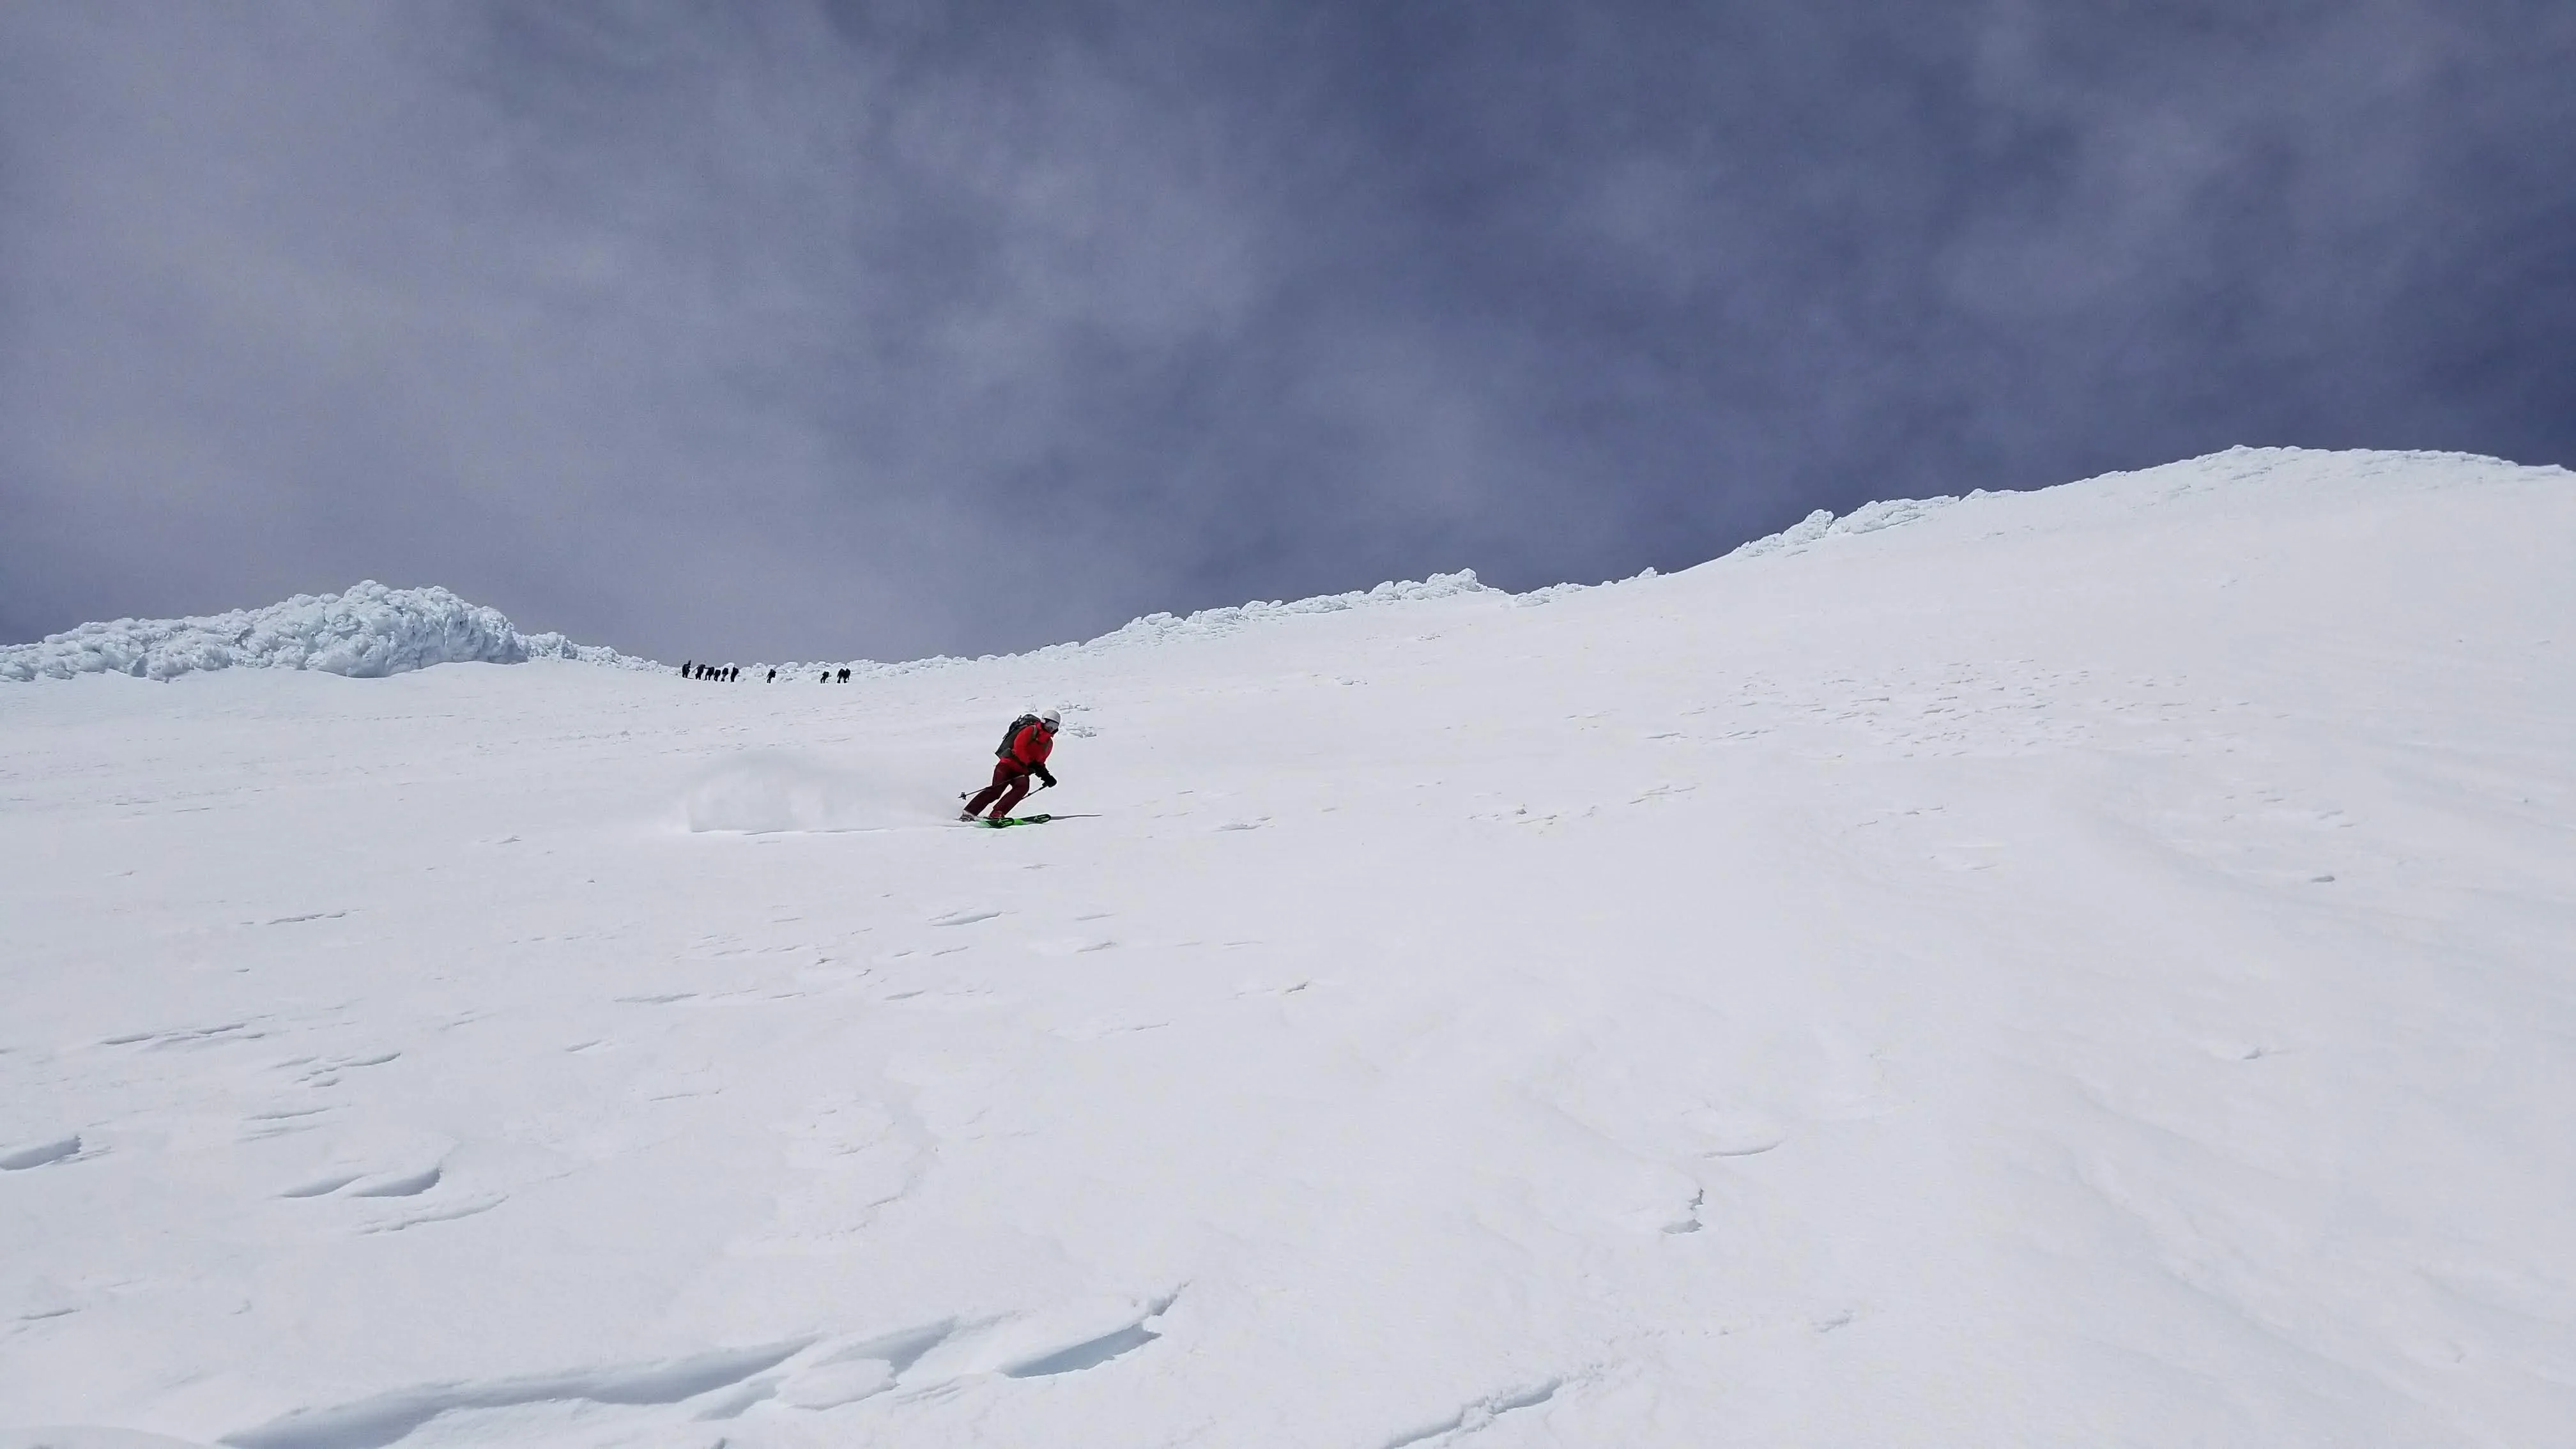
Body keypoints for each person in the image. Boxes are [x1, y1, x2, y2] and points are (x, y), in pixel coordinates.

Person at [962, 709, 1061, 821]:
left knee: (1022, 787)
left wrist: (1046, 776)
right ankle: (969, 812)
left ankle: (998, 813)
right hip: (1007, 765)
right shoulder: (1030, 730)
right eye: (1050, 724)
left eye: (1054, 726)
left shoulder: (1049, 743)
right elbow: (1019, 748)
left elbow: (1040, 762)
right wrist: (1031, 763)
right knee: (996, 790)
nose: (1051, 728)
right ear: (1043, 721)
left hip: (1022, 771)